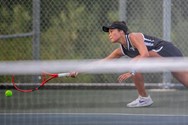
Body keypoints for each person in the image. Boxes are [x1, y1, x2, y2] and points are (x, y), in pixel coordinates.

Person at [100, 21, 188, 108]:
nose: (109, 34)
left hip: (166, 50)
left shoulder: (133, 36)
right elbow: (104, 62)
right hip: (160, 56)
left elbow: (145, 54)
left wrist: (132, 71)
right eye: (108, 33)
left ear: (121, 31)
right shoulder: (121, 50)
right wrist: (86, 68)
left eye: (111, 31)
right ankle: (144, 98)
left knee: (134, 63)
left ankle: (144, 98)